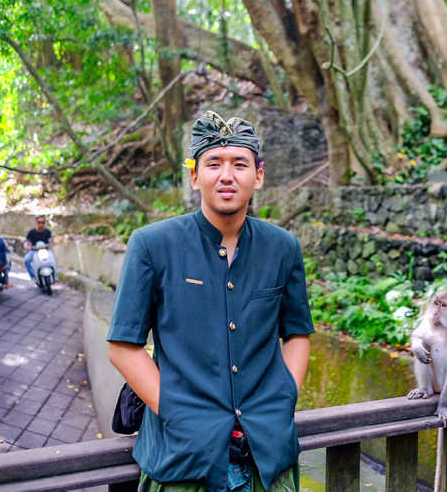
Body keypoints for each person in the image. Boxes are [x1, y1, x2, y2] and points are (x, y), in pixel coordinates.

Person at [107, 111, 314, 492]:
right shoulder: (153, 245)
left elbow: (297, 333)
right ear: (194, 176)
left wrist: (285, 395)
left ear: (259, 175)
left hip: (266, 462)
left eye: (240, 164)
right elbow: (123, 347)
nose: (227, 175)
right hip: (183, 460)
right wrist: (175, 411)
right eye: (213, 163)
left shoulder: (283, 248)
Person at [24, 215, 53, 281]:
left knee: (53, 259)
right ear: (36, 222)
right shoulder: (31, 232)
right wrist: (27, 246)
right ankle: (33, 276)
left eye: (43, 222)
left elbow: (51, 241)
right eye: (39, 222)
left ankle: (54, 275)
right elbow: (27, 242)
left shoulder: (48, 232)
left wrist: (51, 244)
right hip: (34, 251)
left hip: (46, 250)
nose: (41, 224)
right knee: (26, 260)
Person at [0, 223, 12, 289]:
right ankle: (6, 283)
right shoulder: (1, 240)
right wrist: (4, 264)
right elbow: (4, 253)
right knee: (7, 265)